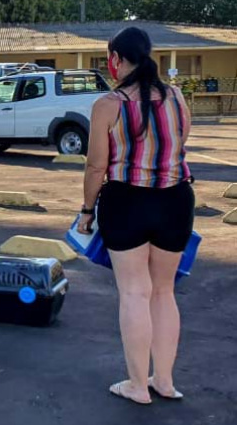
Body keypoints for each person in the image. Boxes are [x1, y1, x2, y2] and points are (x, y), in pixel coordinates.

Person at [77, 26, 194, 405]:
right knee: (163, 292)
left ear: (116, 59)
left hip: (126, 201)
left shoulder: (109, 104)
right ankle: (164, 380)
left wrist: (86, 211)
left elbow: (97, 166)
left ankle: (137, 385)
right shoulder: (177, 96)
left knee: (133, 292)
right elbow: (181, 142)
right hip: (176, 200)